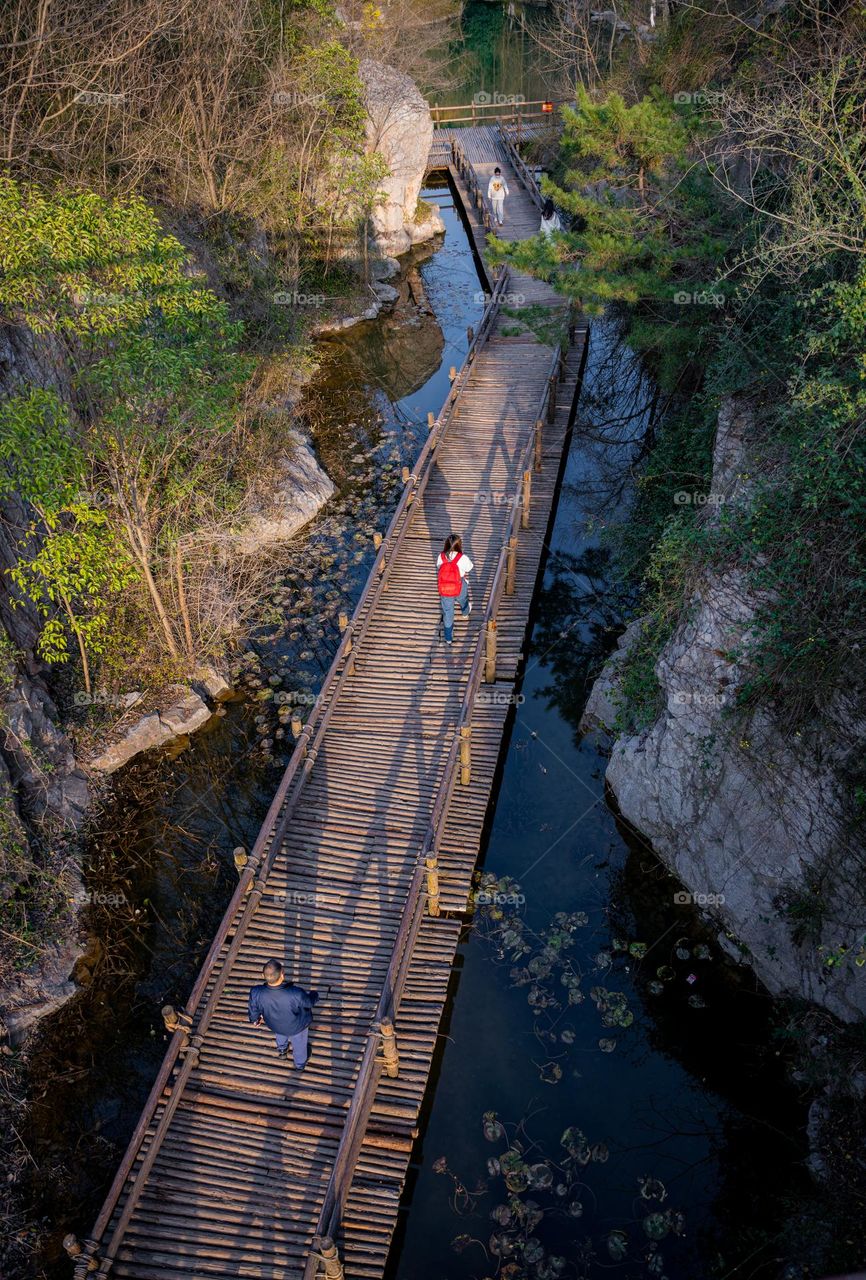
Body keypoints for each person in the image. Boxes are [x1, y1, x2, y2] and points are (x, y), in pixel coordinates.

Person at [248, 959, 318, 1069]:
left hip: (274, 1024)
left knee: (280, 1032)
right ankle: (299, 1065)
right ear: (282, 975)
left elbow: (254, 1008)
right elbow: (308, 1003)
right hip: (296, 1026)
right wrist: (314, 994)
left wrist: (254, 1019)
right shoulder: (295, 993)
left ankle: (282, 1050)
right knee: (299, 1045)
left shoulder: (256, 991)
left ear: (263, 975)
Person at [437, 534, 473, 645]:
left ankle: (448, 637)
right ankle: (465, 612)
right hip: (459, 584)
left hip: (445, 588)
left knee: (448, 612)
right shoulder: (462, 558)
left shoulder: (441, 556)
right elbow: (469, 567)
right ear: (459, 545)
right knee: (463, 600)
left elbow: (439, 567)